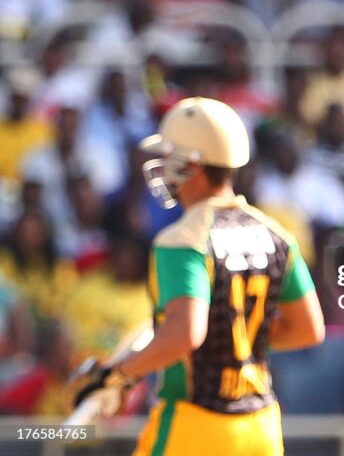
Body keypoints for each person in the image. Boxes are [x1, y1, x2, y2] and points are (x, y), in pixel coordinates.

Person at [72, 97, 325, 455]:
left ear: (193, 165)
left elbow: (185, 334)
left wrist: (117, 375)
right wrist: (235, 341)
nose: (163, 167)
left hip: (197, 424)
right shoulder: (278, 234)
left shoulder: (182, 238)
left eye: (170, 157)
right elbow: (308, 329)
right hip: (261, 425)